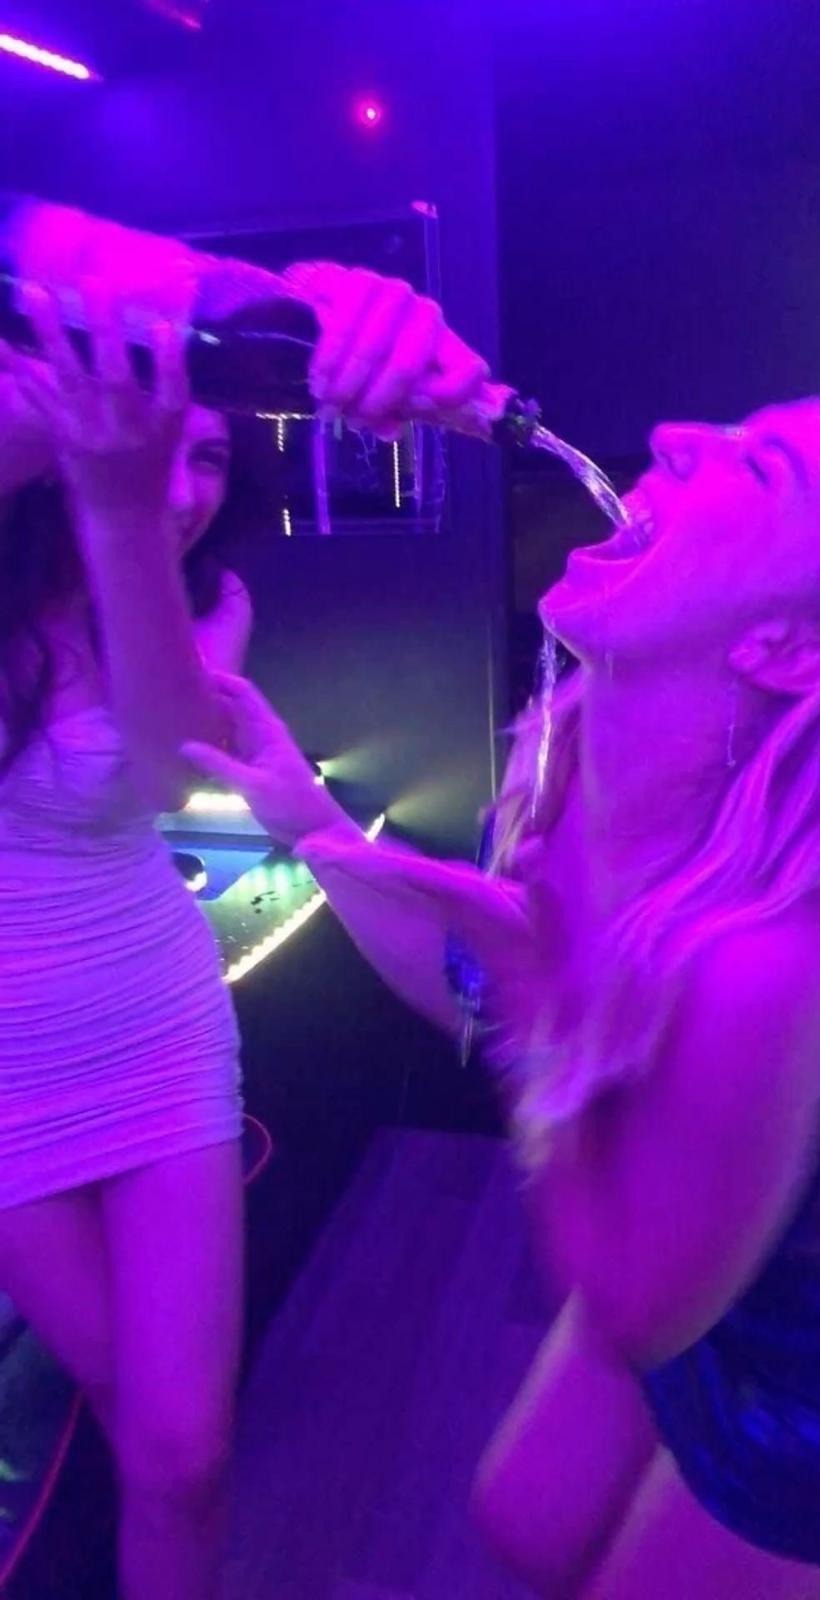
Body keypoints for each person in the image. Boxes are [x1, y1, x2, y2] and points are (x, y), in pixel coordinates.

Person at [187, 391, 820, 1599]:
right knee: (521, 1523)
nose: (671, 434)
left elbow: (629, 1305)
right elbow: (472, 991)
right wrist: (305, 819)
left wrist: (540, 1004)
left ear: (784, 646)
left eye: (759, 469)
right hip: (689, 1273)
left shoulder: (773, 953)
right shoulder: (567, 737)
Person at [0, 208, 489, 1600]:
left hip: (155, 1021)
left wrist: (120, 515)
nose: (187, 486)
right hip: (7, 1059)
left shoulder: (204, 600)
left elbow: (174, 771)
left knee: (187, 1451)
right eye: (172, 449)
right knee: (129, 1407)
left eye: (211, 456)